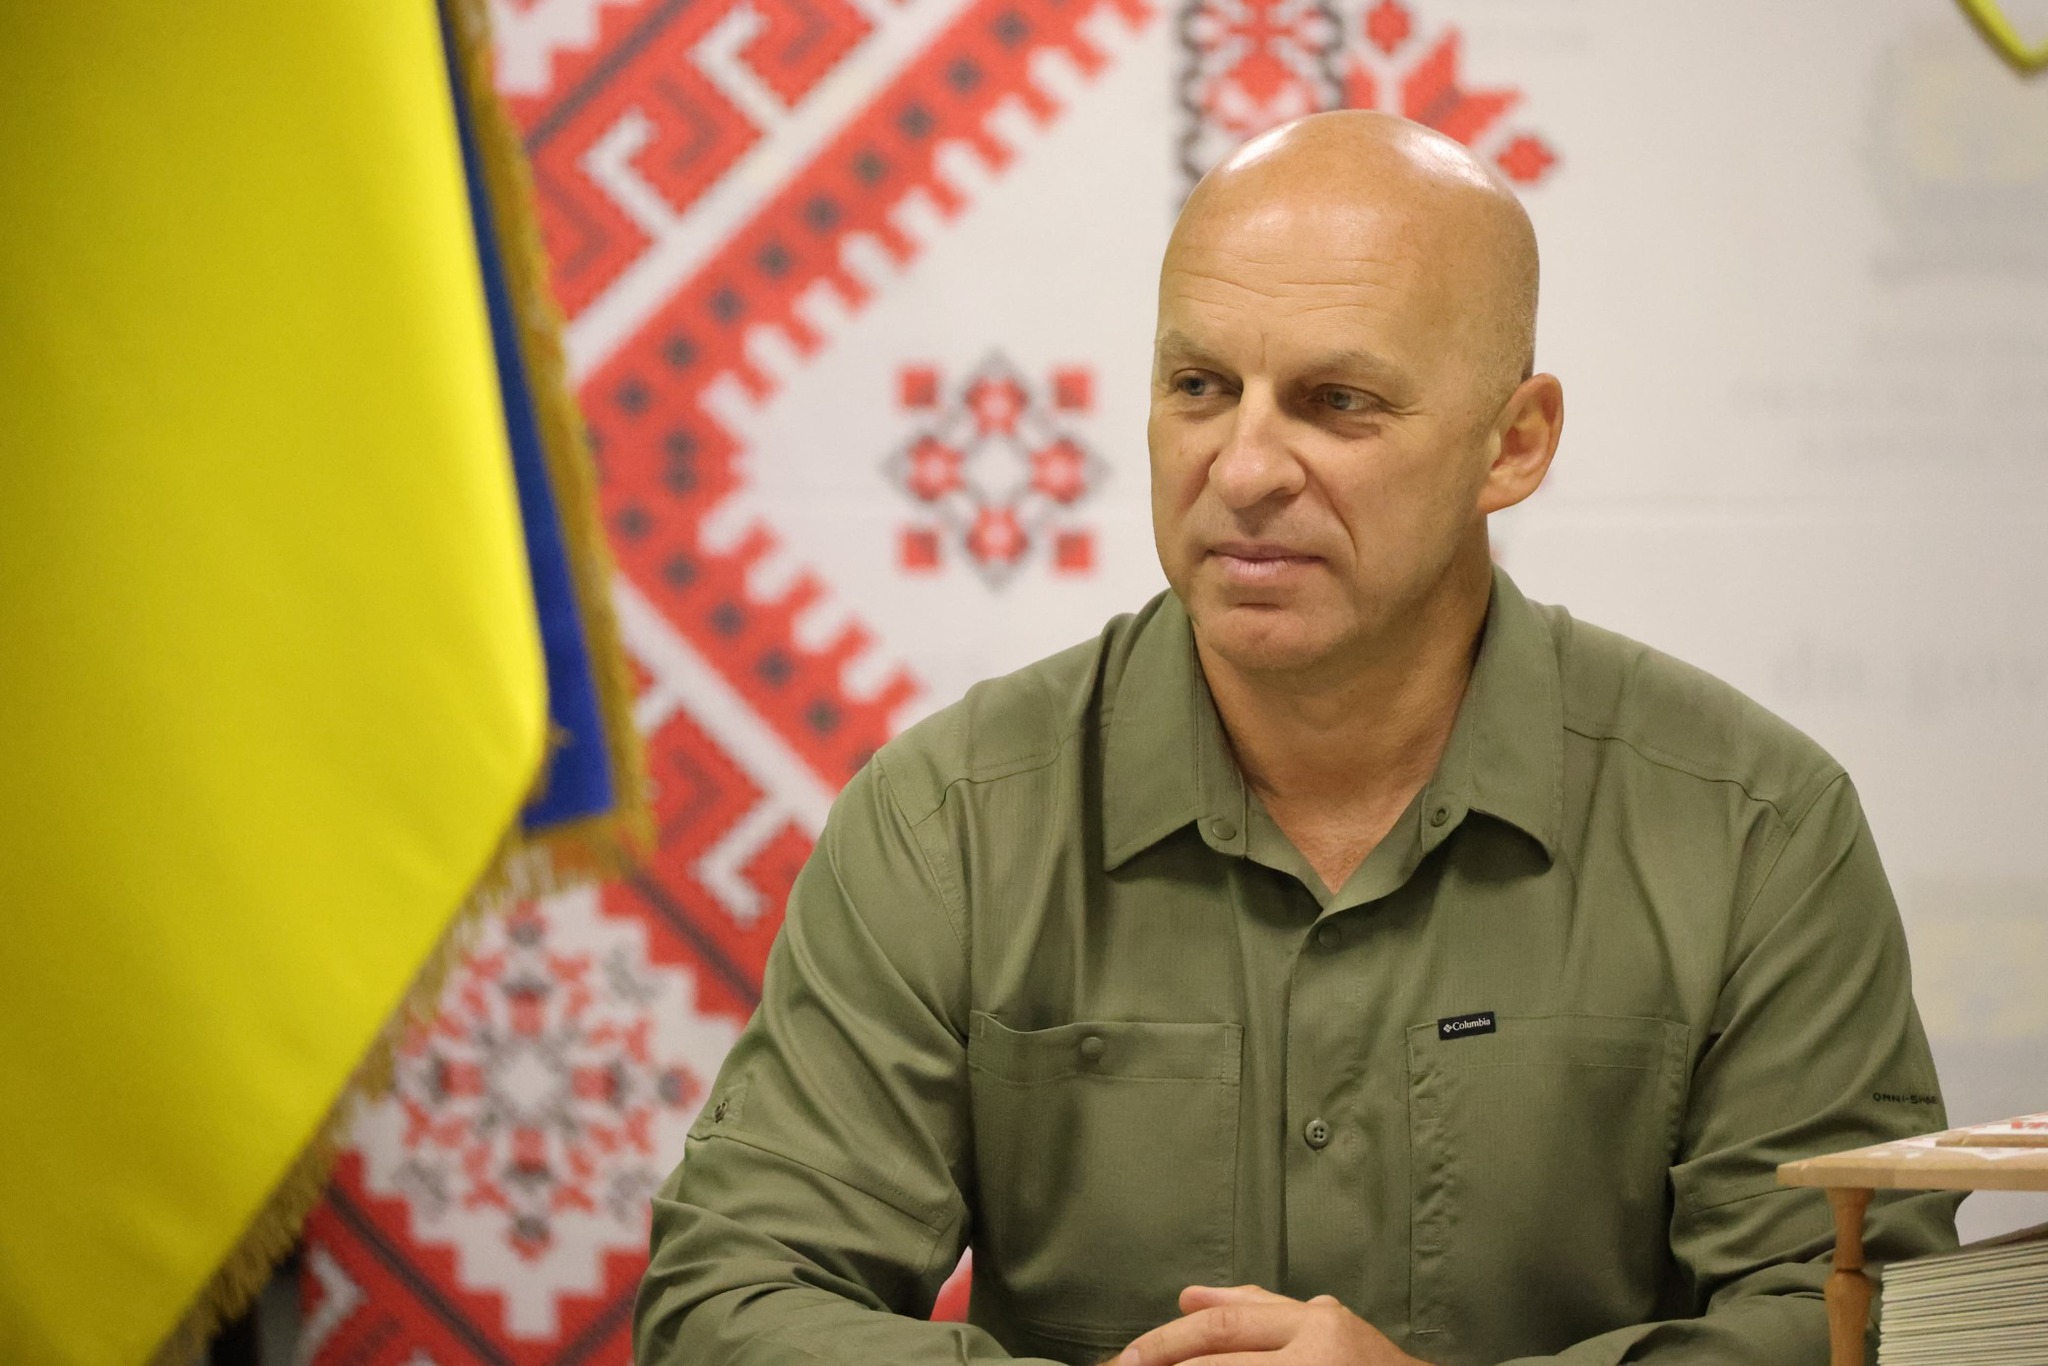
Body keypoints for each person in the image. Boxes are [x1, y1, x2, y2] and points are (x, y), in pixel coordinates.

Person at [633, 110, 1959, 1366]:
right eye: (1200, 386)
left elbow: (1864, 1321)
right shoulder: (952, 820)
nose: (1245, 466)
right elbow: (728, 1300)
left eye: (1339, 401)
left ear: (1514, 444)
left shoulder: (1752, 827)